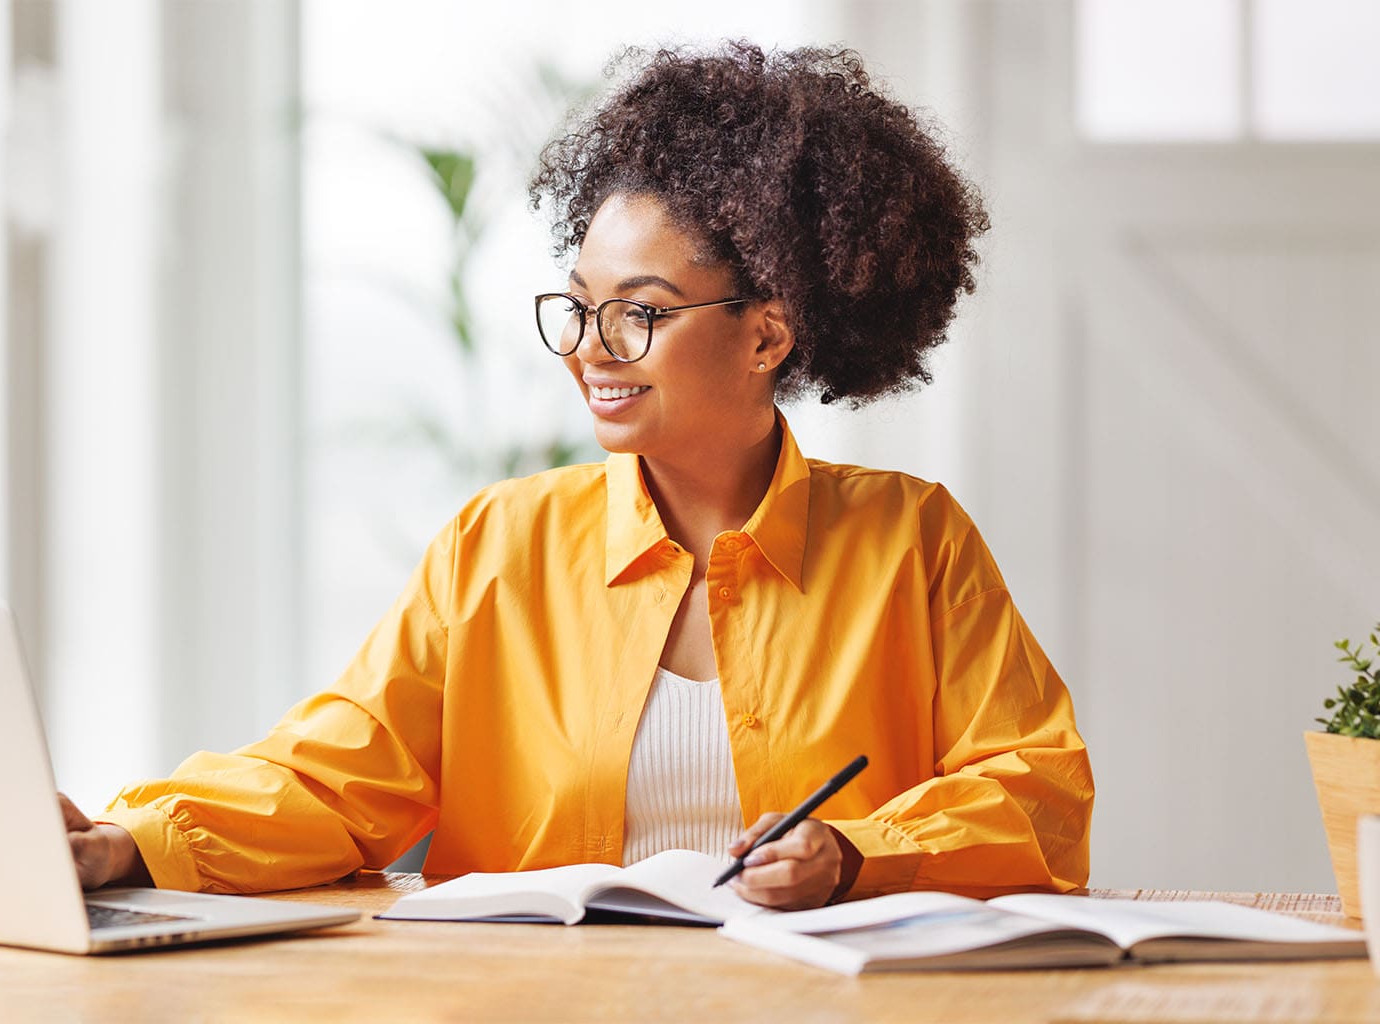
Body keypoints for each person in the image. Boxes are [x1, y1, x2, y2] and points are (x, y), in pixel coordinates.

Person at [64, 42, 1092, 912]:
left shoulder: (914, 540)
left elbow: (1036, 790)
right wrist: (131, 839)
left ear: (767, 334)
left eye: (639, 311)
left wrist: (859, 854)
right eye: (578, 304)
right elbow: (335, 777)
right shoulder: (499, 545)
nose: (590, 348)